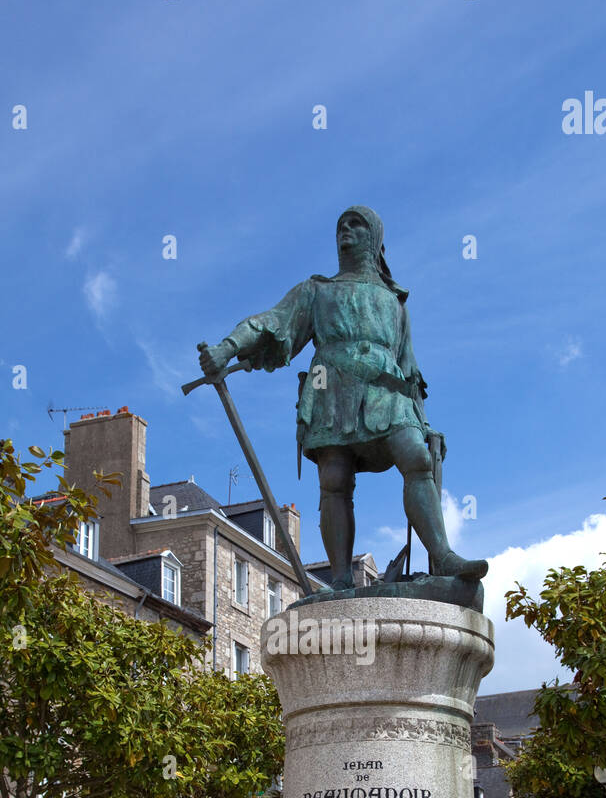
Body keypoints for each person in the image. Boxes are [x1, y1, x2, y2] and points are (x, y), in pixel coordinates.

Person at [199, 206, 487, 589]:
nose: (345, 231)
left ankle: (443, 554)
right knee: (334, 479)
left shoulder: (396, 303)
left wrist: (426, 422)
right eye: (340, 226)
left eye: (356, 224)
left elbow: (411, 370)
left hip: (386, 387)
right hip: (330, 388)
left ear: (375, 239)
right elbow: (272, 321)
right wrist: (228, 347)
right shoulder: (317, 291)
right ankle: (338, 579)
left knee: (416, 456)